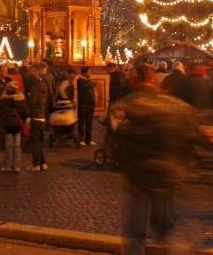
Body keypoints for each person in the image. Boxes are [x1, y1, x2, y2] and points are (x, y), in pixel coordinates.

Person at [109, 63, 203, 255]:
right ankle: (177, 249)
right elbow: (194, 136)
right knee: (165, 225)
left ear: (136, 82)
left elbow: (114, 139)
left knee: (135, 230)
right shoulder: (177, 107)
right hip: (169, 172)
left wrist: (122, 163)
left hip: (137, 173)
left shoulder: (128, 105)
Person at [0, 78, 29, 171]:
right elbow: (26, 112)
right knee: (17, 146)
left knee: (9, 145)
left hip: (8, 125)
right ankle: (17, 166)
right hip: (18, 125)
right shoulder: (21, 98)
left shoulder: (4, 99)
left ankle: (7, 165)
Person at [26, 64, 50, 171]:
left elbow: (33, 101)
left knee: (35, 142)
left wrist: (29, 95)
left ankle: (36, 165)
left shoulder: (36, 86)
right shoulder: (45, 85)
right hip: (42, 116)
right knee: (39, 141)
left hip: (35, 115)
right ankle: (43, 163)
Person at [77, 66, 96, 146]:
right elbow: (85, 87)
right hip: (83, 103)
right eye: (89, 72)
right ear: (84, 73)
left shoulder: (88, 81)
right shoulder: (80, 80)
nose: (90, 73)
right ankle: (81, 139)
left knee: (89, 122)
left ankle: (88, 139)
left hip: (90, 103)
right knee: (82, 121)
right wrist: (92, 84)